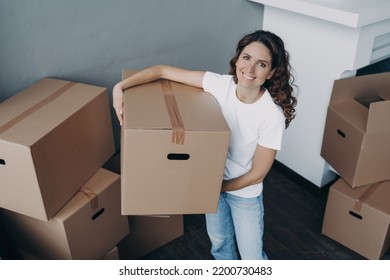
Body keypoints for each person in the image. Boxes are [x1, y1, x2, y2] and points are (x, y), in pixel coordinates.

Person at [112, 30, 297, 260]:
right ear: (238, 59)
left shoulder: (271, 116)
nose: (249, 70)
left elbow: (257, 175)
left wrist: (213, 188)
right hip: (213, 184)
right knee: (220, 247)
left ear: (271, 72)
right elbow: (162, 71)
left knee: (252, 259)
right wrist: (120, 87)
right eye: (246, 58)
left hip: (243, 194)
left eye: (261, 64)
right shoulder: (221, 85)